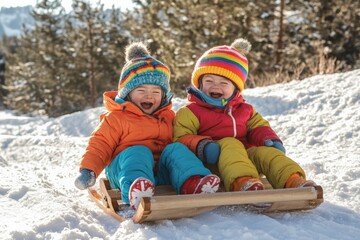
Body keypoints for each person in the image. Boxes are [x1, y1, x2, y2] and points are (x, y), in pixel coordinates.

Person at [75, 42, 220, 210]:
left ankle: (193, 182)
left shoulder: (168, 117)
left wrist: (201, 146)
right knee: (138, 151)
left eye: (156, 92)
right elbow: (100, 144)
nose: (149, 96)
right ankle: (136, 190)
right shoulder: (116, 117)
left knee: (176, 149)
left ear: (163, 95)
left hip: (160, 172)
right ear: (127, 94)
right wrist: (88, 170)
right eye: (141, 91)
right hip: (124, 172)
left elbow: (182, 138)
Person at [173, 38, 316, 192]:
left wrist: (270, 140)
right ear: (199, 84)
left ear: (235, 88)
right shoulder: (191, 111)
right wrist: (203, 147)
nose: (215, 86)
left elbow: (259, 126)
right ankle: (243, 182)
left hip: (247, 159)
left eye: (224, 83)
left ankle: (293, 180)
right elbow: (180, 138)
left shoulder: (245, 109)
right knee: (231, 143)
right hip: (213, 163)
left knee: (266, 153)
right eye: (209, 81)